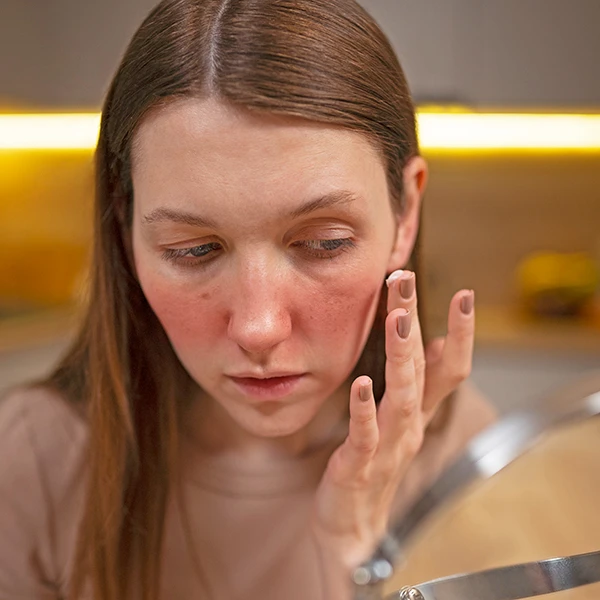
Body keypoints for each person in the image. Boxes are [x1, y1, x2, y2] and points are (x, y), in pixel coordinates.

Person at [0, 0, 497, 598]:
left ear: (406, 212)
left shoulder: (465, 456)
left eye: (323, 242)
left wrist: (362, 557)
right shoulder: (32, 460)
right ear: (124, 229)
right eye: (193, 250)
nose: (259, 328)